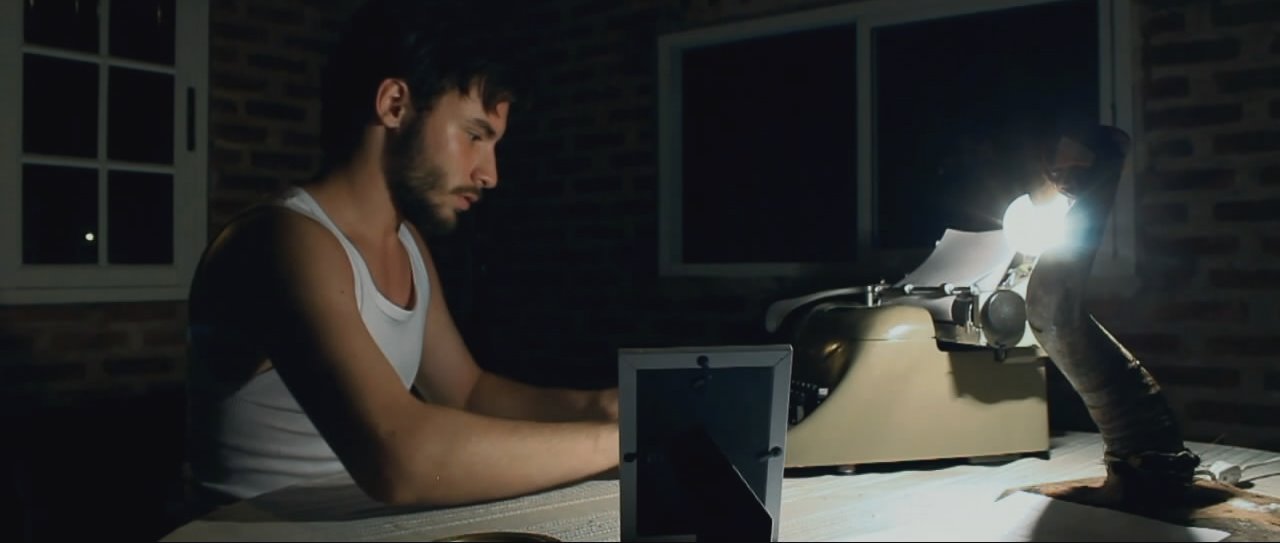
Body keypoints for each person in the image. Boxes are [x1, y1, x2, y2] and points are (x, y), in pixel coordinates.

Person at [185, 0, 619, 508]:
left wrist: (602, 408)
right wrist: (623, 444)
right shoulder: (280, 239)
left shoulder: (407, 244)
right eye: (474, 135)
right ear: (394, 104)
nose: (489, 174)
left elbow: (469, 393)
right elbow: (400, 458)